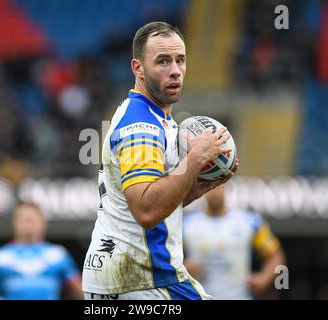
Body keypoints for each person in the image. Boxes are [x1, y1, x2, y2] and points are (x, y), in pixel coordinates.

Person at [82, 21, 238, 300]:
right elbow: (145, 210)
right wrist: (194, 160)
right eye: (163, 61)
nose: (175, 70)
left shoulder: (152, 116)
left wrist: (194, 187)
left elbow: (144, 205)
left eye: (180, 60)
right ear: (137, 68)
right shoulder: (141, 127)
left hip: (123, 276)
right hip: (142, 279)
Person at [183, 183, 286, 299]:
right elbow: (166, 257)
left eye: (219, 186)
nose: (215, 191)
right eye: (210, 186)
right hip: (198, 296)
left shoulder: (249, 222)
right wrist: (183, 269)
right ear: (203, 189)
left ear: (227, 187)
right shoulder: (186, 224)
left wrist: (263, 279)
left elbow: (276, 256)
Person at [0, 202, 84, 300]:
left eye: (32, 220)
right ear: (14, 223)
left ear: (43, 223)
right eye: (23, 220)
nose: (28, 225)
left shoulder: (58, 254)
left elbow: (80, 290)